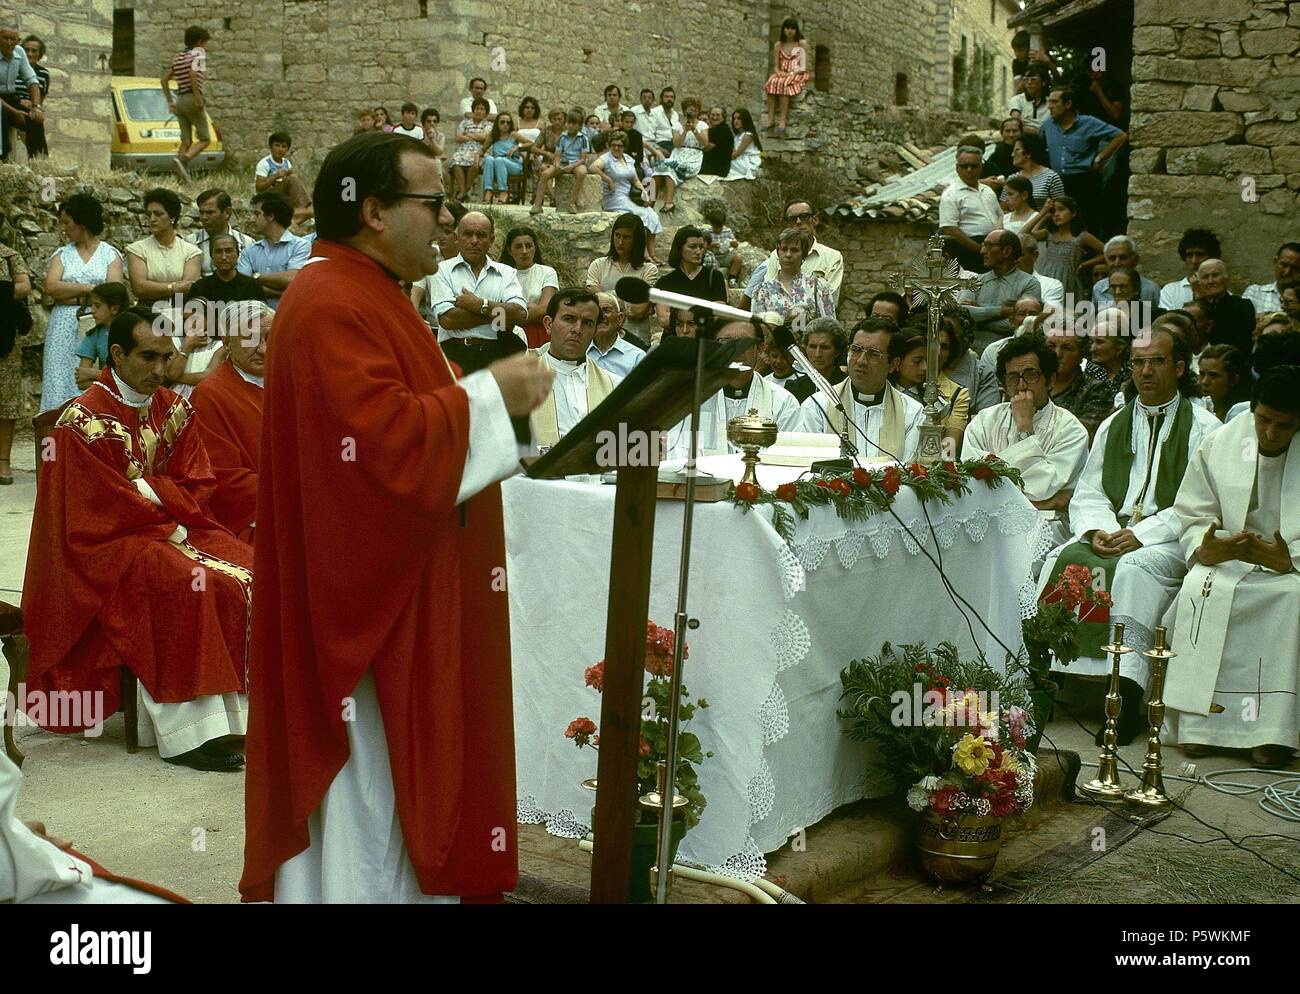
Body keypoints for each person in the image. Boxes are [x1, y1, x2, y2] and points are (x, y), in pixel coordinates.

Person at [240, 131, 553, 903]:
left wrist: (491, 408)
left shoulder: (371, 292)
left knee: (395, 810)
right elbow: (379, 453)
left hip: (406, 601)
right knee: (373, 807)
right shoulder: (328, 302)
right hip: (367, 633)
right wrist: (493, 397)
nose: (446, 222)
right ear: (374, 210)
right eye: (434, 203)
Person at [22, 306, 253, 771]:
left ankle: (240, 720)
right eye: (148, 357)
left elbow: (200, 480)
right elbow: (91, 508)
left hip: (174, 528)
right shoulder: (80, 421)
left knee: (253, 568)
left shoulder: (175, 407)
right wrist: (164, 505)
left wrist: (152, 492)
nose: (160, 370)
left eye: (167, 358)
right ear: (117, 354)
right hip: (103, 546)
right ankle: (187, 733)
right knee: (192, 586)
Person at [1036, 326, 1221, 742]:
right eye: (1138, 362)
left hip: (1171, 537)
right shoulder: (1113, 425)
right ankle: (1048, 681)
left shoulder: (1205, 429)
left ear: (1178, 367)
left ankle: (1126, 697)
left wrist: (1142, 534)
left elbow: (1200, 503)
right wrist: (1100, 529)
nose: (1146, 372)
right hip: (1114, 528)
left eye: (1157, 361)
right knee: (1060, 558)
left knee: (1134, 570)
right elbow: (1090, 490)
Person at [1163, 365, 1300, 769]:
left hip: (1287, 568)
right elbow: (1191, 511)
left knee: (1291, 598)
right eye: (1264, 420)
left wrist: (1287, 559)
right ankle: (1201, 727)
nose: (1270, 434)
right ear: (1253, 409)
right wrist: (1206, 548)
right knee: (1201, 588)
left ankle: (1271, 733)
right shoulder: (1221, 442)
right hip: (1228, 557)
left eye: (1284, 426)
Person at [965, 334, 1090, 569]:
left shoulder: (1071, 429)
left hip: (1045, 524)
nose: (1021, 385)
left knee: (1021, 555)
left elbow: (1041, 487)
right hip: (987, 516)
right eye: (1013, 377)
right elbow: (973, 478)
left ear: (1050, 380)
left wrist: (1024, 428)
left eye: (1030, 375)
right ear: (1003, 383)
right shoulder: (985, 421)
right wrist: (1040, 499)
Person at [189, 300, 271, 543]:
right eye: (251, 338)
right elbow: (221, 478)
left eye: (270, 337)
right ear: (226, 342)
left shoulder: (293, 381)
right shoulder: (209, 395)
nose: (264, 349)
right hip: (258, 520)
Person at [666, 318, 802, 460]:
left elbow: (787, 457)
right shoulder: (692, 399)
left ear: (760, 348)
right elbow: (678, 456)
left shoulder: (783, 402)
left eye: (745, 343)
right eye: (726, 342)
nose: (737, 350)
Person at [41, 194, 125, 413]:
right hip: (63, 325)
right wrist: (90, 289)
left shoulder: (110, 254)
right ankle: (56, 429)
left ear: (82, 221)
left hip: (99, 324)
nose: (63, 228)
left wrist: (68, 292)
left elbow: (114, 291)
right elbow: (51, 287)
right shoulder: (62, 255)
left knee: (93, 376)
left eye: (67, 222)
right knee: (59, 377)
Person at [799, 317, 923, 460]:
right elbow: (809, 463)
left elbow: (909, 470)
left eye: (874, 354)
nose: (861, 361)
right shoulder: (818, 405)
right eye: (856, 350)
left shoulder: (912, 413)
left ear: (893, 364)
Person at [429, 210, 529, 374]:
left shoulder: (507, 273)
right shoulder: (441, 270)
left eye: (481, 235)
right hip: (454, 354)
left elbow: (519, 314)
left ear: (492, 239)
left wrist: (479, 304)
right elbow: (448, 319)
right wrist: (496, 314)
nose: (474, 241)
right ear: (457, 237)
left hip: (496, 355)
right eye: (468, 234)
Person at [528, 288, 621, 449]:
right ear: (548, 324)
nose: (577, 329)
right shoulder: (518, 385)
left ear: (594, 330)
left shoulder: (615, 386)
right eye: (569, 319)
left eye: (587, 323)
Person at [1040, 86, 1127, 226]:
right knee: (1060, 225)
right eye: (1049, 102)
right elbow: (1039, 148)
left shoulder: (1088, 123)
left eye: (1054, 102)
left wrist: (1100, 157)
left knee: (1088, 223)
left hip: (1084, 181)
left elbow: (1120, 136)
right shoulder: (1047, 126)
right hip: (1058, 182)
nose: (1049, 106)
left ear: (1068, 104)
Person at [742, 199, 844, 310]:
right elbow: (769, 293)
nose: (799, 222)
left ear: (815, 220)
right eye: (792, 219)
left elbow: (830, 300)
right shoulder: (776, 256)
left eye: (804, 217)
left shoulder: (832, 258)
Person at [957, 228, 1043, 352]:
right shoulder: (975, 281)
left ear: (1007, 251)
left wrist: (979, 315)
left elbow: (1023, 323)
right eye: (983, 245)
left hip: (1008, 354)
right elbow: (962, 314)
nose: (982, 251)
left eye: (988, 246)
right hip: (971, 352)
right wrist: (1004, 311)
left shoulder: (1029, 283)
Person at [891, 325, 968, 456]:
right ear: (897, 362)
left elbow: (950, 447)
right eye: (917, 361)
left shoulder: (938, 397)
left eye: (928, 360)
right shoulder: (886, 392)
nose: (925, 367)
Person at [126, 187, 202, 318]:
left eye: (158, 214)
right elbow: (139, 288)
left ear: (172, 216)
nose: (152, 219)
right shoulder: (137, 249)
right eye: (149, 214)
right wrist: (173, 287)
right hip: (147, 314)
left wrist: (156, 287)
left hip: (182, 314)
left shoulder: (191, 252)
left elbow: (187, 289)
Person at [588, 129, 663, 259]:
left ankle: (653, 253)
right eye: (614, 145)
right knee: (641, 215)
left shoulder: (628, 159)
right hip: (614, 197)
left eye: (620, 145)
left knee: (651, 214)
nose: (617, 148)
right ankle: (644, 254)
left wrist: (645, 193)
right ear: (610, 145)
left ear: (624, 146)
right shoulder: (606, 159)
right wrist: (608, 179)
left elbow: (635, 180)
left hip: (628, 196)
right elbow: (593, 167)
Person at [586, 213, 660, 340]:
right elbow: (593, 303)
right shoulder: (598, 265)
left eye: (627, 237)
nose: (620, 242)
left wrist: (607, 299)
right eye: (617, 235)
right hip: (602, 338)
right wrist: (625, 302)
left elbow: (638, 310)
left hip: (636, 339)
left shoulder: (648, 270)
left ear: (636, 240)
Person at [237, 192, 311, 310]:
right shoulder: (250, 251)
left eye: (257, 214)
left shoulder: (300, 246)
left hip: (288, 317)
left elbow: (292, 279)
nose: (251, 219)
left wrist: (255, 277)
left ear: (270, 216)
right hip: (256, 321)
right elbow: (243, 286)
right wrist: (280, 293)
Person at [749, 227, 834, 327]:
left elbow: (830, 325)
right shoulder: (762, 291)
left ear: (804, 254)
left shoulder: (818, 286)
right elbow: (758, 329)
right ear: (778, 252)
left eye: (794, 250)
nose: (788, 254)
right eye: (784, 249)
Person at [939, 145, 1005, 274]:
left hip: (993, 247)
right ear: (957, 168)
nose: (969, 170)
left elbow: (1000, 216)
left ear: (981, 167)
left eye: (974, 166)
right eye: (964, 166)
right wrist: (980, 249)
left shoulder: (988, 191)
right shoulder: (951, 194)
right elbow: (950, 229)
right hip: (969, 250)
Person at [1045, 327, 1119, 440]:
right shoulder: (1034, 383)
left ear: (1081, 355)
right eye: (1051, 346)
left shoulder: (1096, 389)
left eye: (1067, 348)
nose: (1057, 354)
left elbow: (1080, 434)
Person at [1025, 194, 1103, 301]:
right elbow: (1025, 234)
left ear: (1073, 213)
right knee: (1047, 311)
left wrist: (1084, 264)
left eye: (1061, 210)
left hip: (1069, 283)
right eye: (1053, 212)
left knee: (1068, 314)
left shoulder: (1081, 236)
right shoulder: (1049, 234)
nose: (1056, 214)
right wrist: (1043, 214)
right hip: (1048, 280)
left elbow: (1107, 252)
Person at [159, 25, 210, 180]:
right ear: (200, 41)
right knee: (205, 139)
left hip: (180, 100)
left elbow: (164, 79)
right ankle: (184, 159)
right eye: (205, 43)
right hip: (192, 98)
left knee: (186, 140)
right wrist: (198, 97)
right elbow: (193, 73)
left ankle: (179, 176)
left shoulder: (179, 57)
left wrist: (170, 102)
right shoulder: (199, 53)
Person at [655, 225, 728, 329]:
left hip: (704, 340)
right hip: (675, 340)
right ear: (680, 249)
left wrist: (680, 318)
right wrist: (701, 316)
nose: (698, 252)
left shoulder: (714, 277)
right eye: (692, 247)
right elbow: (663, 319)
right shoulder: (666, 281)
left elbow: (719, 313)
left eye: (701, 247)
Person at [0, 235, 30, 485]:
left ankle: (3, 462)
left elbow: (24, 286)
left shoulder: (9, 256)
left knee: (6, 398)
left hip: (4, 335)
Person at [499, 226, 557, 349]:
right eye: (518, 246)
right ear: (509, 250)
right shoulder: (502, 275)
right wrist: (531, 308)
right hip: (509, 334)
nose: (524, 251)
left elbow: (545, 308)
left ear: (535, 248)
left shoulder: (547, 272)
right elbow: (497, 311)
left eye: (529, 246)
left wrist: (513, 315)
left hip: (539, 333)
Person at [652, 97, 712, 213]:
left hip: (693, 156)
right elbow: (677, 144)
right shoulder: (677, 125)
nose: (692, 113)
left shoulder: (702, 125)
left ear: (698, 111)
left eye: (694, 110)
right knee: (658, 167)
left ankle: (669, 202)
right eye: (689, 110)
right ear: (684, 111)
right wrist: (685, 130)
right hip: (678, 154)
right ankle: (650, 200)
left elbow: (704, 143)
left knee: (670, 169)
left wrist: (694, 130)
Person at [1195, 258, 1256, 360]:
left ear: (1226, 278)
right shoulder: (1196, 309)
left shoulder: (1242, 306)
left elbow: (1244, 345)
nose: (1210, 281)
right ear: (1200, 283)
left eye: (1215, 275)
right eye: (1205, 277)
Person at [74, 281, 130, 391]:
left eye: (97, 306)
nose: (92, 311)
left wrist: (95, 373)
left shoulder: (132, 333)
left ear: (114, 308)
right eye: (91, 306)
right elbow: (82, 380)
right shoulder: (94, 335)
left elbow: (131, 377)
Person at [532, 109, 590, 215]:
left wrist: (572, 166)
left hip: (577, 163)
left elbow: (582, 158)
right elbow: (557, 155)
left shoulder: (583, 139)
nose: (570, 126)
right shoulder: (562, 137)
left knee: (582, 172)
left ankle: (572, 202)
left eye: (573, 123)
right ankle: (537, 204)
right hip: (564, 162)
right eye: (569, 123)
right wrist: (557, 164)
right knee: (545, 174)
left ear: (579, 125)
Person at [0, 26, 43, 162]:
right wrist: (14, 112)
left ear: (18, 41)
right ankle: (3, 162)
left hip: (10, 97)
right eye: (5, 38)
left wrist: (36, 107)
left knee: (34, 120)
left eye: (13, 39)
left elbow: (31, 80)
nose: (9, 43)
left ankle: (39, 162)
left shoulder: (19, 52)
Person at [189, 189, 255, 276]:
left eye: (210, 212)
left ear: (227, 213)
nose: (204, 218)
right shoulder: (190, 243)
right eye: (201, 213)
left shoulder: (247, 244)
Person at [763, 17, 810, 135]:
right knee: (771, 82)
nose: (790, 31)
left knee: (784, 83)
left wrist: (791, 74)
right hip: (782, 73)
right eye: (787, 28)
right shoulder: (778, 45)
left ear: (796, 30)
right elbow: (776, 66)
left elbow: (804, 66)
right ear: (784, 30)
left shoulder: (801, 44)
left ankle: (783, 120)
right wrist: (779, 73)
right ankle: (770, 119)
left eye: (792, 29)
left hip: (798, 72)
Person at [254, 132, 313, 225]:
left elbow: (293, 184)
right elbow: (259, 188)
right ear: (271, 147)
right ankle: (305, 211)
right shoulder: (265, 163)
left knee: (294, 179)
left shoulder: (287, 163)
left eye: (283, 146)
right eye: (277, 145)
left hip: (282, 196)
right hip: (267, 197)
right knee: (292, 179)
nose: (280, 149)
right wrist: (275, 176)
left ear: (287, 149)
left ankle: (295, 223)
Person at [190, 233, 266, 304]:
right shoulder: (200, 287)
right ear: (211, 255)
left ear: (238, 254)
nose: (224, 257)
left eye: (229, 251)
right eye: (218, 251)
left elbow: (261, 315)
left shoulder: (252, 286)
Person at [1090, 235, 1160, 309]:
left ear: (1135, 260)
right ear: (1106, 261)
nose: (1117, 263)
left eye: (1123, 258)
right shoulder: (1099, 288)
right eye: (1112, 258)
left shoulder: (1150, 289)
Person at [1000, 133, 1065, 213]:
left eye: (1016, 150)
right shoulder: (1012, 178)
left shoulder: (1051, 177)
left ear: (1028, 153)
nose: (1012, 155)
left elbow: (1060, 208)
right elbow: (1003, 208)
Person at [1158, 228, 1220, 311]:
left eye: (1200, 255)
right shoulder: (1170, 291)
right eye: (1189, 255)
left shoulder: (1220, 292)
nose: (1194, 261)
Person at [590, 292, 646, 374]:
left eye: (606, 310)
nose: (601, 316)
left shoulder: (637, 357)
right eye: (596, 311)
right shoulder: (577, 352)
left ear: (619, 318)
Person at [449, 97, 492, 202]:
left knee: (476, 163)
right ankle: (464, 191)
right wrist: (476, 135)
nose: (479, 111)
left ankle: (463, 192)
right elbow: (458, 137)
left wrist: (467, 134)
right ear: (473, 110)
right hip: (463, 150)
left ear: (486, 112)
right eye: (477, 108)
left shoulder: (489, 125)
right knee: (456, 160)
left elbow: (485, 137)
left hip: (480, 151)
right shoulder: (464, 123)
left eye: (482, 109)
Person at [1195, 344, 1249, 422]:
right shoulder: (1195, 407)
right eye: (1202, 374)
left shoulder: (1243, 415)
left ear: (1233, 380)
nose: (1204, 382)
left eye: (1213, 375)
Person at [1243, 242, 1300, 315]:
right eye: (1284, 265)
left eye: (1295, 268)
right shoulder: (1255, 293)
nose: (1287, 272)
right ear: (1275, 261)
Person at [480, 111, 523, 205]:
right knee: (489, 159)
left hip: (513, 165)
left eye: (508, 122)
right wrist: (476, 158)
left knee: (499, 160)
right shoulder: (493, 136)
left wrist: (517, 147)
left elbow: (530, 143)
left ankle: (503, 191)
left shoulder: (513, 135)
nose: (505, 125)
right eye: (502, 122)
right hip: (498, 165)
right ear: (497, 124)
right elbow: (482, 150)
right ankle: (488, 190)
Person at [700, 198, 743, 285]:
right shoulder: (707, 232)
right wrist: (712, 245)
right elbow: (703, 247)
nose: (718, 229)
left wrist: (733, 243)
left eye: (720, 227)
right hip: (713, 256)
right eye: (716, 227)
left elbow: (735, 244)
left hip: (725, 255)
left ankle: (732, 278)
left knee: (738, 258)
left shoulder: (727, 231)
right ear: (712, 224)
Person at [18, 35, 48, 158]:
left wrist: (35, 107)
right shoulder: (15, 67)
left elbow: (41, 97)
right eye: (26, 50)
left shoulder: (44, 74)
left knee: (36, 117)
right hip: (13, 103)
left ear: (40, 54)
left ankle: (40, 160)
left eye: (34, 51)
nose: (29, 54)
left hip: (31, 107)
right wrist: (21, 101)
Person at [803, 316, 848, 386]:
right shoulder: (795, 387)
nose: (817, 354)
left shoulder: (847, 386)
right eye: (813, 347)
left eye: (824, 348)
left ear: (837, 352)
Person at [1008, 64, 1050, 134]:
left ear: (1043, 82)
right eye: (1026, 79)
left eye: (1033, 79)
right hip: (1024, 139)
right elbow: (1016, 125)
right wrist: (1038, 132)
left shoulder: (1050, 102)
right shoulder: (1017, 100)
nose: (1029, 82)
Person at [982, 118, 1022, 190]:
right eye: (1007, 131)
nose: (1011, 135)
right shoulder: (996, 156)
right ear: (1002, 133)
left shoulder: (1029, 154)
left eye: (1015, 131)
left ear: (1021, 132)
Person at [728, 108, 763, 180]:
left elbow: (735, 155)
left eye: (739, 119)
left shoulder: (748, 135)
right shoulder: (737, 136)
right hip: (740, 159)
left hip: (749, 163)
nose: (736, 121)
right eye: (734, 119)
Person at [700, 105, 734, 178]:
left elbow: (706, 147)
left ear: (723, 117)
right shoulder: (716, 129)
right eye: (712, 115)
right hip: (716, 166)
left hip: (716, 168)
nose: (715, 117)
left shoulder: (722, 130)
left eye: (718, 115)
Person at [646, 87, 681, 157]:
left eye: (671, 97)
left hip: (674, 143)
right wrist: (659, 149)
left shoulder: (675, 114)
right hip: (661, 143)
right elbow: (650, 135)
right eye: (666, 97)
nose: (669, 99)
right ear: (661, 99)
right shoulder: (654, 112)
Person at [421, 107, 446, 175]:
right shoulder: (419, 135)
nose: (432, 123)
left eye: (434, 121)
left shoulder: (441, 136)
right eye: (429, 121)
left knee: (437, 162)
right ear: (424, 123)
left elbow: (439, 153)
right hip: (421, 162)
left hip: (435, 163)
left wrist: (432, 139)